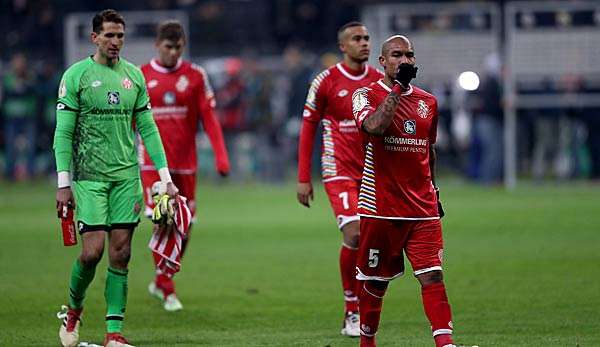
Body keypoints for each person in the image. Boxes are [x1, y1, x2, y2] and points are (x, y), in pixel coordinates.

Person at [53, 9, 178, 347]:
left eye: (120, 36)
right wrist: (64, 183)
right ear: (94, 37)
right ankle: (74, 311)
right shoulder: (76, 75)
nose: (115, 42)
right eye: (109, 35)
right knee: (92, 253)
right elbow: (63, 133)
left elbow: (148, 130)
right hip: (89, 177)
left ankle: (114, 334)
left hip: (125, 177)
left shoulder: (134, 76)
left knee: (121, 253)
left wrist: (165, 178)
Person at [351, 35, 456, 347]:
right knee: (376, 282)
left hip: (423, 207)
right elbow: (374, 127)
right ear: (382, 62)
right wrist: (397, 88)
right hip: (380, 207)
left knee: (433, 275)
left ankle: (446, 344)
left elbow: (429, 150)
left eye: (409, 55)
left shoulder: (428, 102)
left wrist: (434, 192)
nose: (405, 60)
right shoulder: (364, 94)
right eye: (397, 55)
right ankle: (367, 341)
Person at [296, 21, 382, 337]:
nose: (364, 43)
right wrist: (304, 177)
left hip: (373, 173)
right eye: (356, 38)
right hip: (338, 170)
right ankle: (351, 310)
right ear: (342, 46)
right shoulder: (326, 81)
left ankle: (365, 305)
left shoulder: (378, 81)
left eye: (367, 38)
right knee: (355, 234)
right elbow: (307, 128)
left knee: (372, 242)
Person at [139, 20, 230, 311]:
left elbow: (209, 117)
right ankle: (167, 288)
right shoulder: (141, 76)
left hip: (186, 163)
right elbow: (131, 121)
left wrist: (221, 155)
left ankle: (161, 276)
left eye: (178, 47)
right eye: (168, 47)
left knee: (185, 225)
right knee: (163, 216)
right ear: (157, 45)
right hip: (152, 163)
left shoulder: (195, 75)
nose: (173, 52)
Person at [0, 52, 38, 180]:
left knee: (30, 145)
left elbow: (35, 91)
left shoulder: (31, 77)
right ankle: (10, 173)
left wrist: (25, 85)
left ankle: (31, 173)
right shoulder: (8, 78)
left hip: (28, 116)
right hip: (12, 117)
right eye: (17, 62)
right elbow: (7, 94)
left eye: (21, 62)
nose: (19, 65)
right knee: (10, 146)